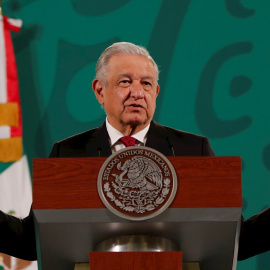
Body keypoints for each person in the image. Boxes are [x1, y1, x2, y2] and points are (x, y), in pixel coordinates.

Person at [0, 42, 269, 261]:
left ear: (157, 92)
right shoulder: (68, 153)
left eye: (147, 84)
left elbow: (236, 241)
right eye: (125, 82)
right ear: (100, 91)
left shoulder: (192, 150)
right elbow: (31, 242)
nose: (138, 93)